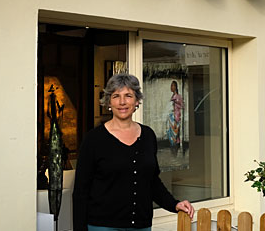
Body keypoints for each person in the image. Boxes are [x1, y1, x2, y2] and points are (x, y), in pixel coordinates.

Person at [73, 73, 195, 231]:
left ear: (137, 101)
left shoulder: (148, 136)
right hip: (103, 226)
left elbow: (152, 182)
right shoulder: (94, 140)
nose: (122, 102)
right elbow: (80, 192)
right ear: (109, 102)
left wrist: (174, 204)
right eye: (116, 96)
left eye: (128, 96)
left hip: (141, 226)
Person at [167, 81, 183, 149]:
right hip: (172, 117)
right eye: (171, 85)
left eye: (172, 85)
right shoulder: (173, 96)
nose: (171, 87)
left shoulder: (177, 97)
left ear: (175, 87)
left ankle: (176, 146)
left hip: (176, 117)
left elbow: (181, 106)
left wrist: (176, 118)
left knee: (175, 134)